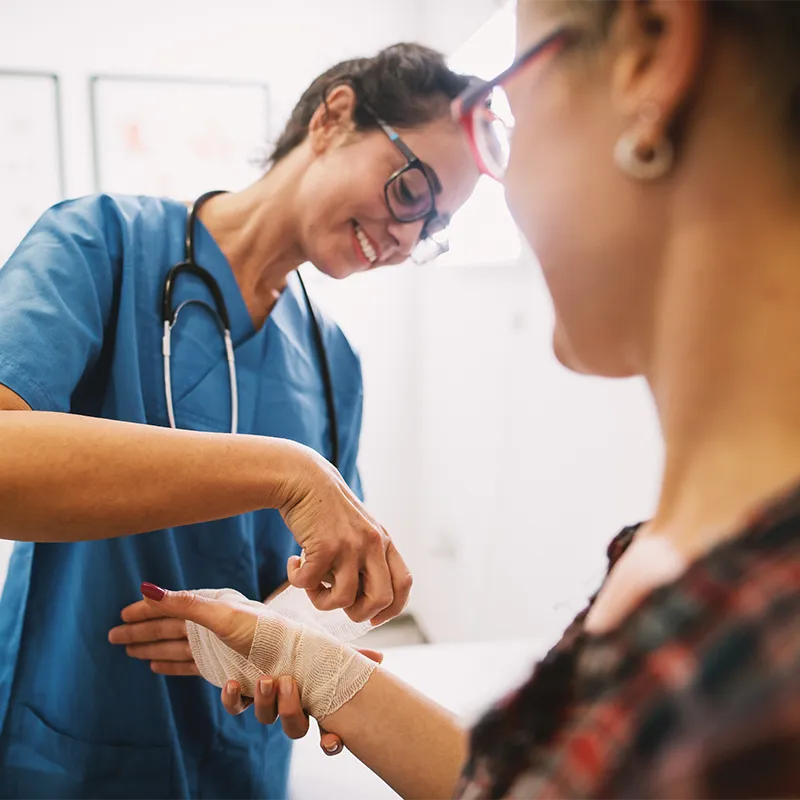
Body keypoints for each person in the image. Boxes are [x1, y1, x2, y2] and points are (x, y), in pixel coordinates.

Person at [141, 0, 800, 798]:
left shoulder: (759, 649)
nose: (509, 179)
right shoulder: (669, 563)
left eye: (513, 117)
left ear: (652, 52)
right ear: (331, 118)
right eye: (501, 120)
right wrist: (301, 654)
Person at [0, 44, 480, 799]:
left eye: (435, 228)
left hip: (241, 759)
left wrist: (289, 637)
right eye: (413, 190)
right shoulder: (100, 244)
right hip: (73, 745)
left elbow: (312, 586)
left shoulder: (331, 360)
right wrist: (286, 470)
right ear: (334, 117)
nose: (407, 238)